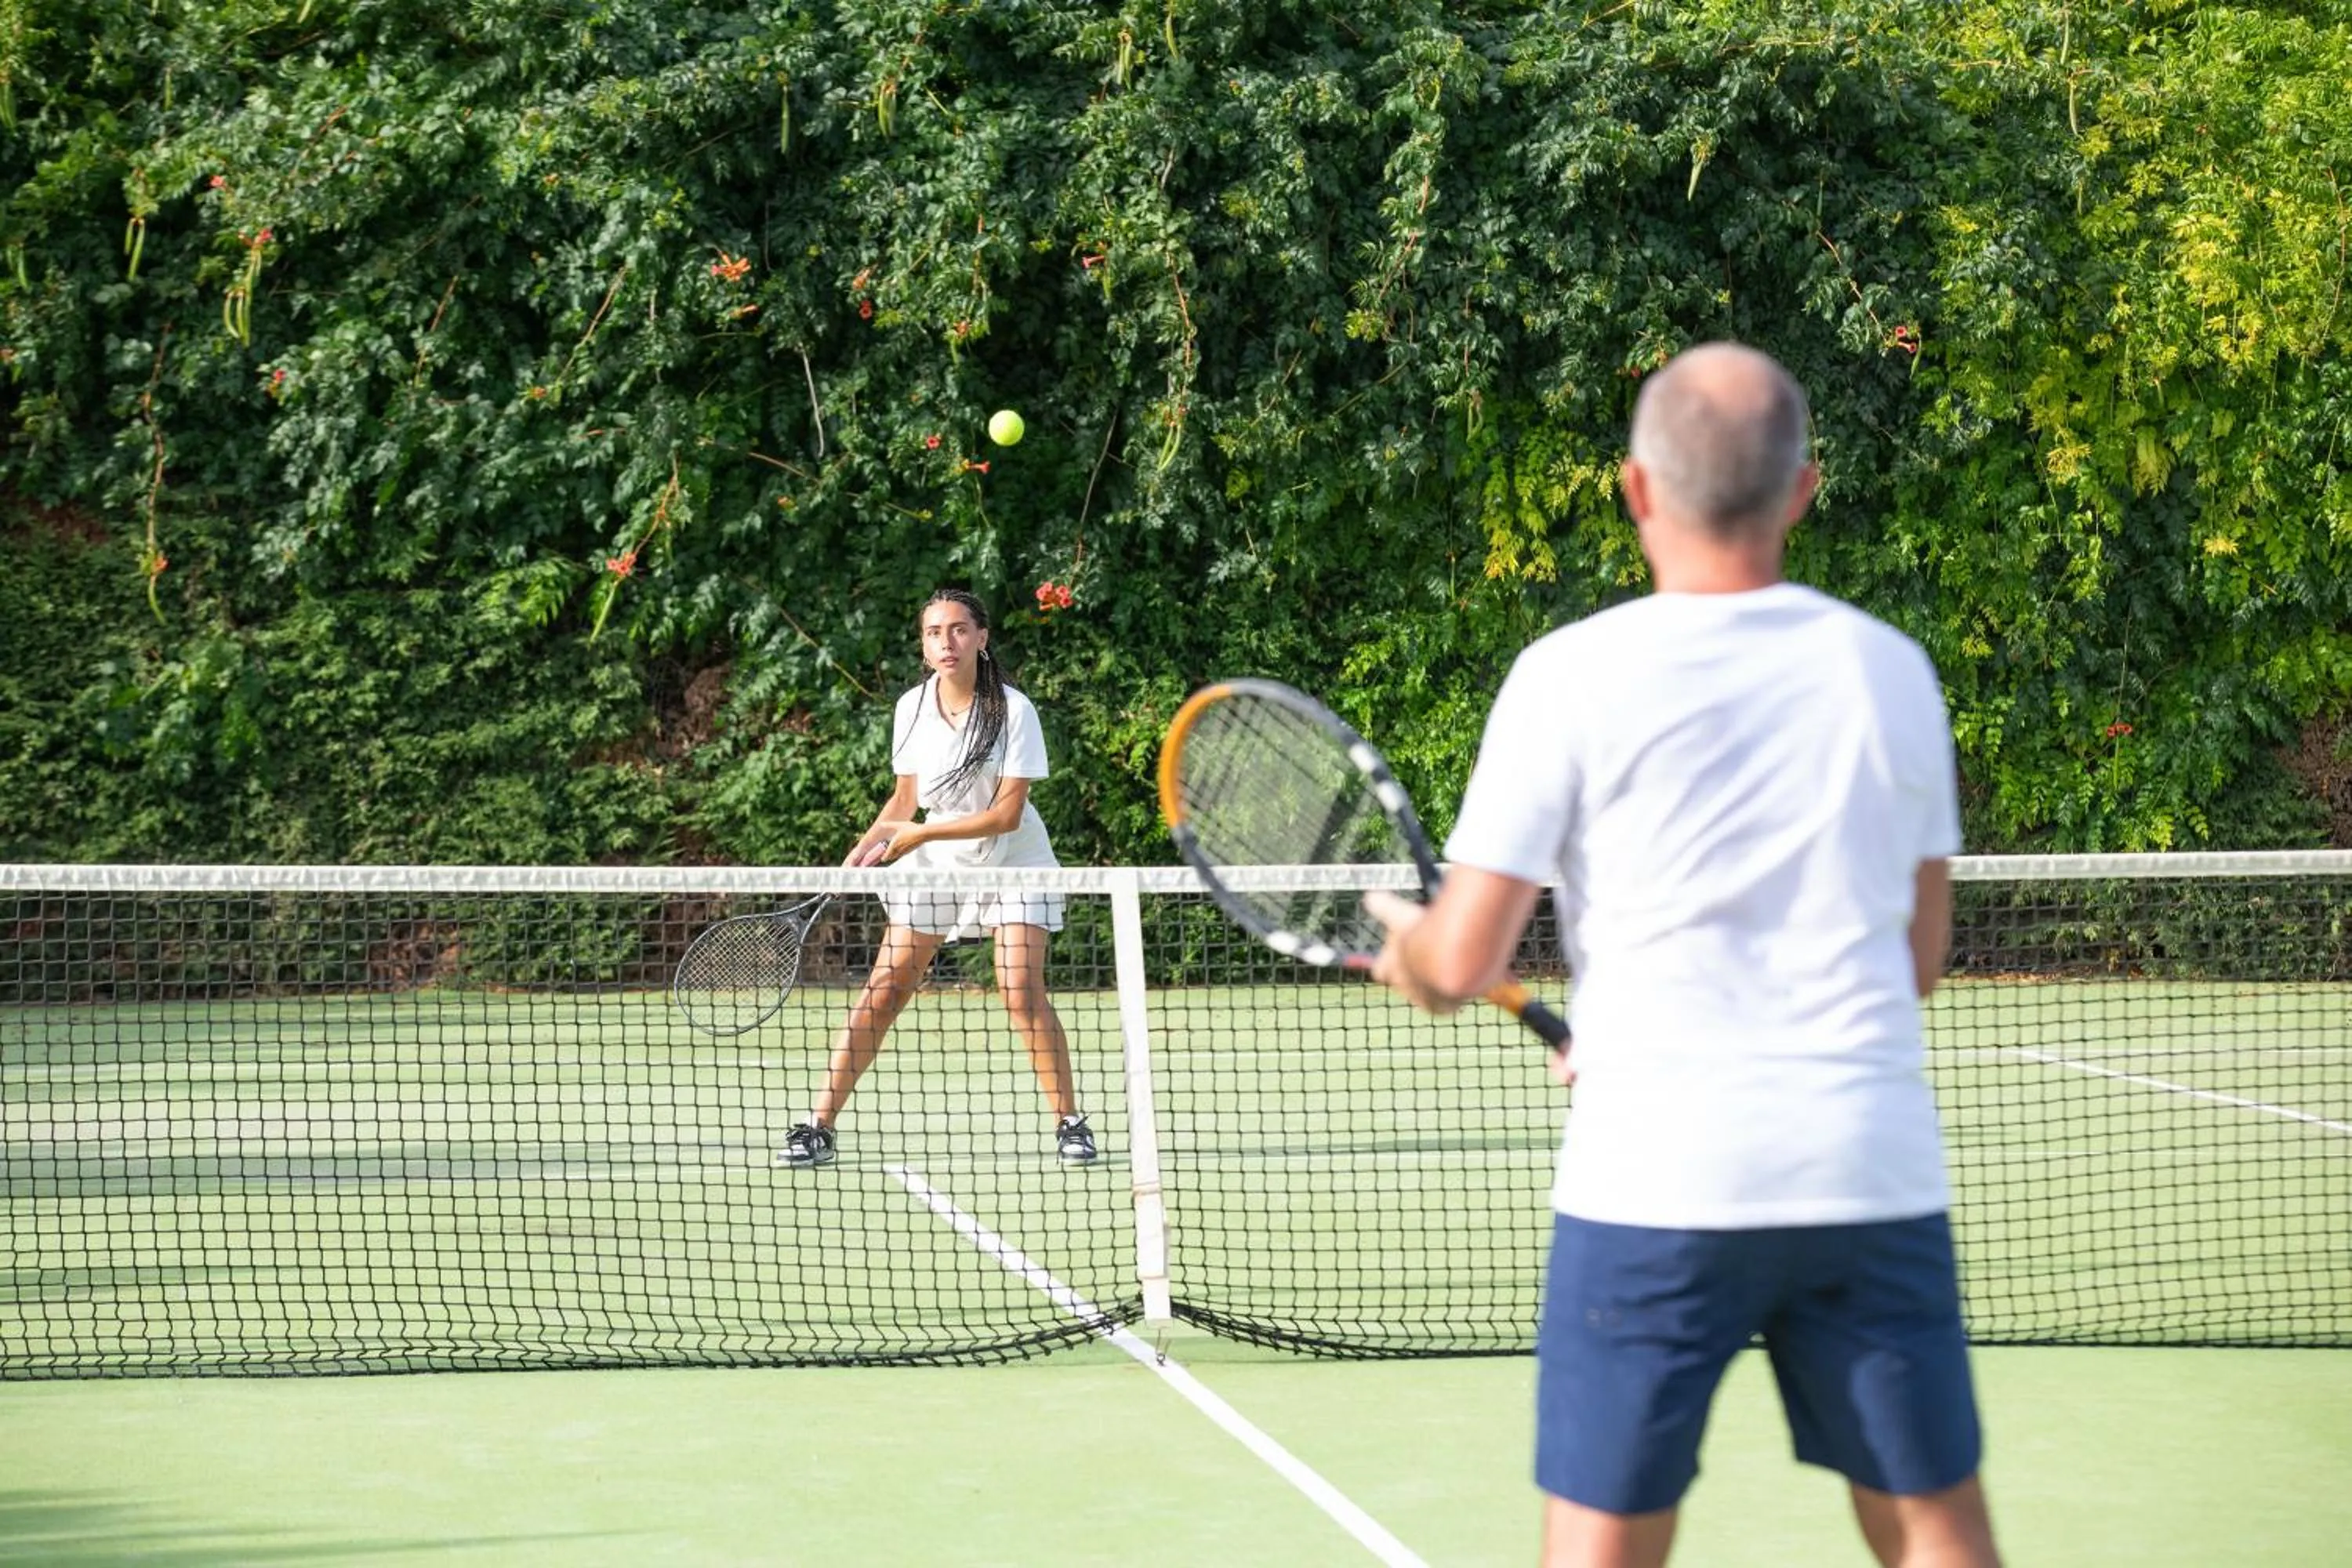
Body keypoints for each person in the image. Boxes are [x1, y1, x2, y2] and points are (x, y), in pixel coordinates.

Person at [1369, 343, 2001, 1568]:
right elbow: (1915, 962)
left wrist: (1409, 950)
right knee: (1938, 1533)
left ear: (1635, 490)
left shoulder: (1566, 677)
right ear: (1803, 490)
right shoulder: (1894, 672)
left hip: (1653, 1182)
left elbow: (1457, 962)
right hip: (1865, 1168)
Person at [775, 588, 1095, 1168]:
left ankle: (1070, 1122)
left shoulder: (1014, 710)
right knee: (885, 989)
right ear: (923, 645)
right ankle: (817, 1125)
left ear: (981, 638)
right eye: (933, 633)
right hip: (940, 862)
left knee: (1020, 990)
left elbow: (1006, 815)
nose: (946, 642)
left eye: (958, 630)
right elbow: (904, 801)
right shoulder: (911, 707)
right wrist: (864, 848)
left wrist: (919, 835)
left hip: (1014, 861)